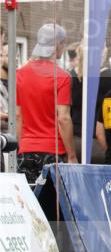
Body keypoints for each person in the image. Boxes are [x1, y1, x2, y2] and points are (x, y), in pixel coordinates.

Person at [16, 22, 78, 184]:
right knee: (53, 205)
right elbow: (63, 118)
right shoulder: (62, 76)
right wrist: (71, 156)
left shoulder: (20, 74)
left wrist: (19, 148)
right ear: (58, 44)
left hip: (26, 150)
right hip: (53, 151)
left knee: (29, 205)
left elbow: (18, 116)